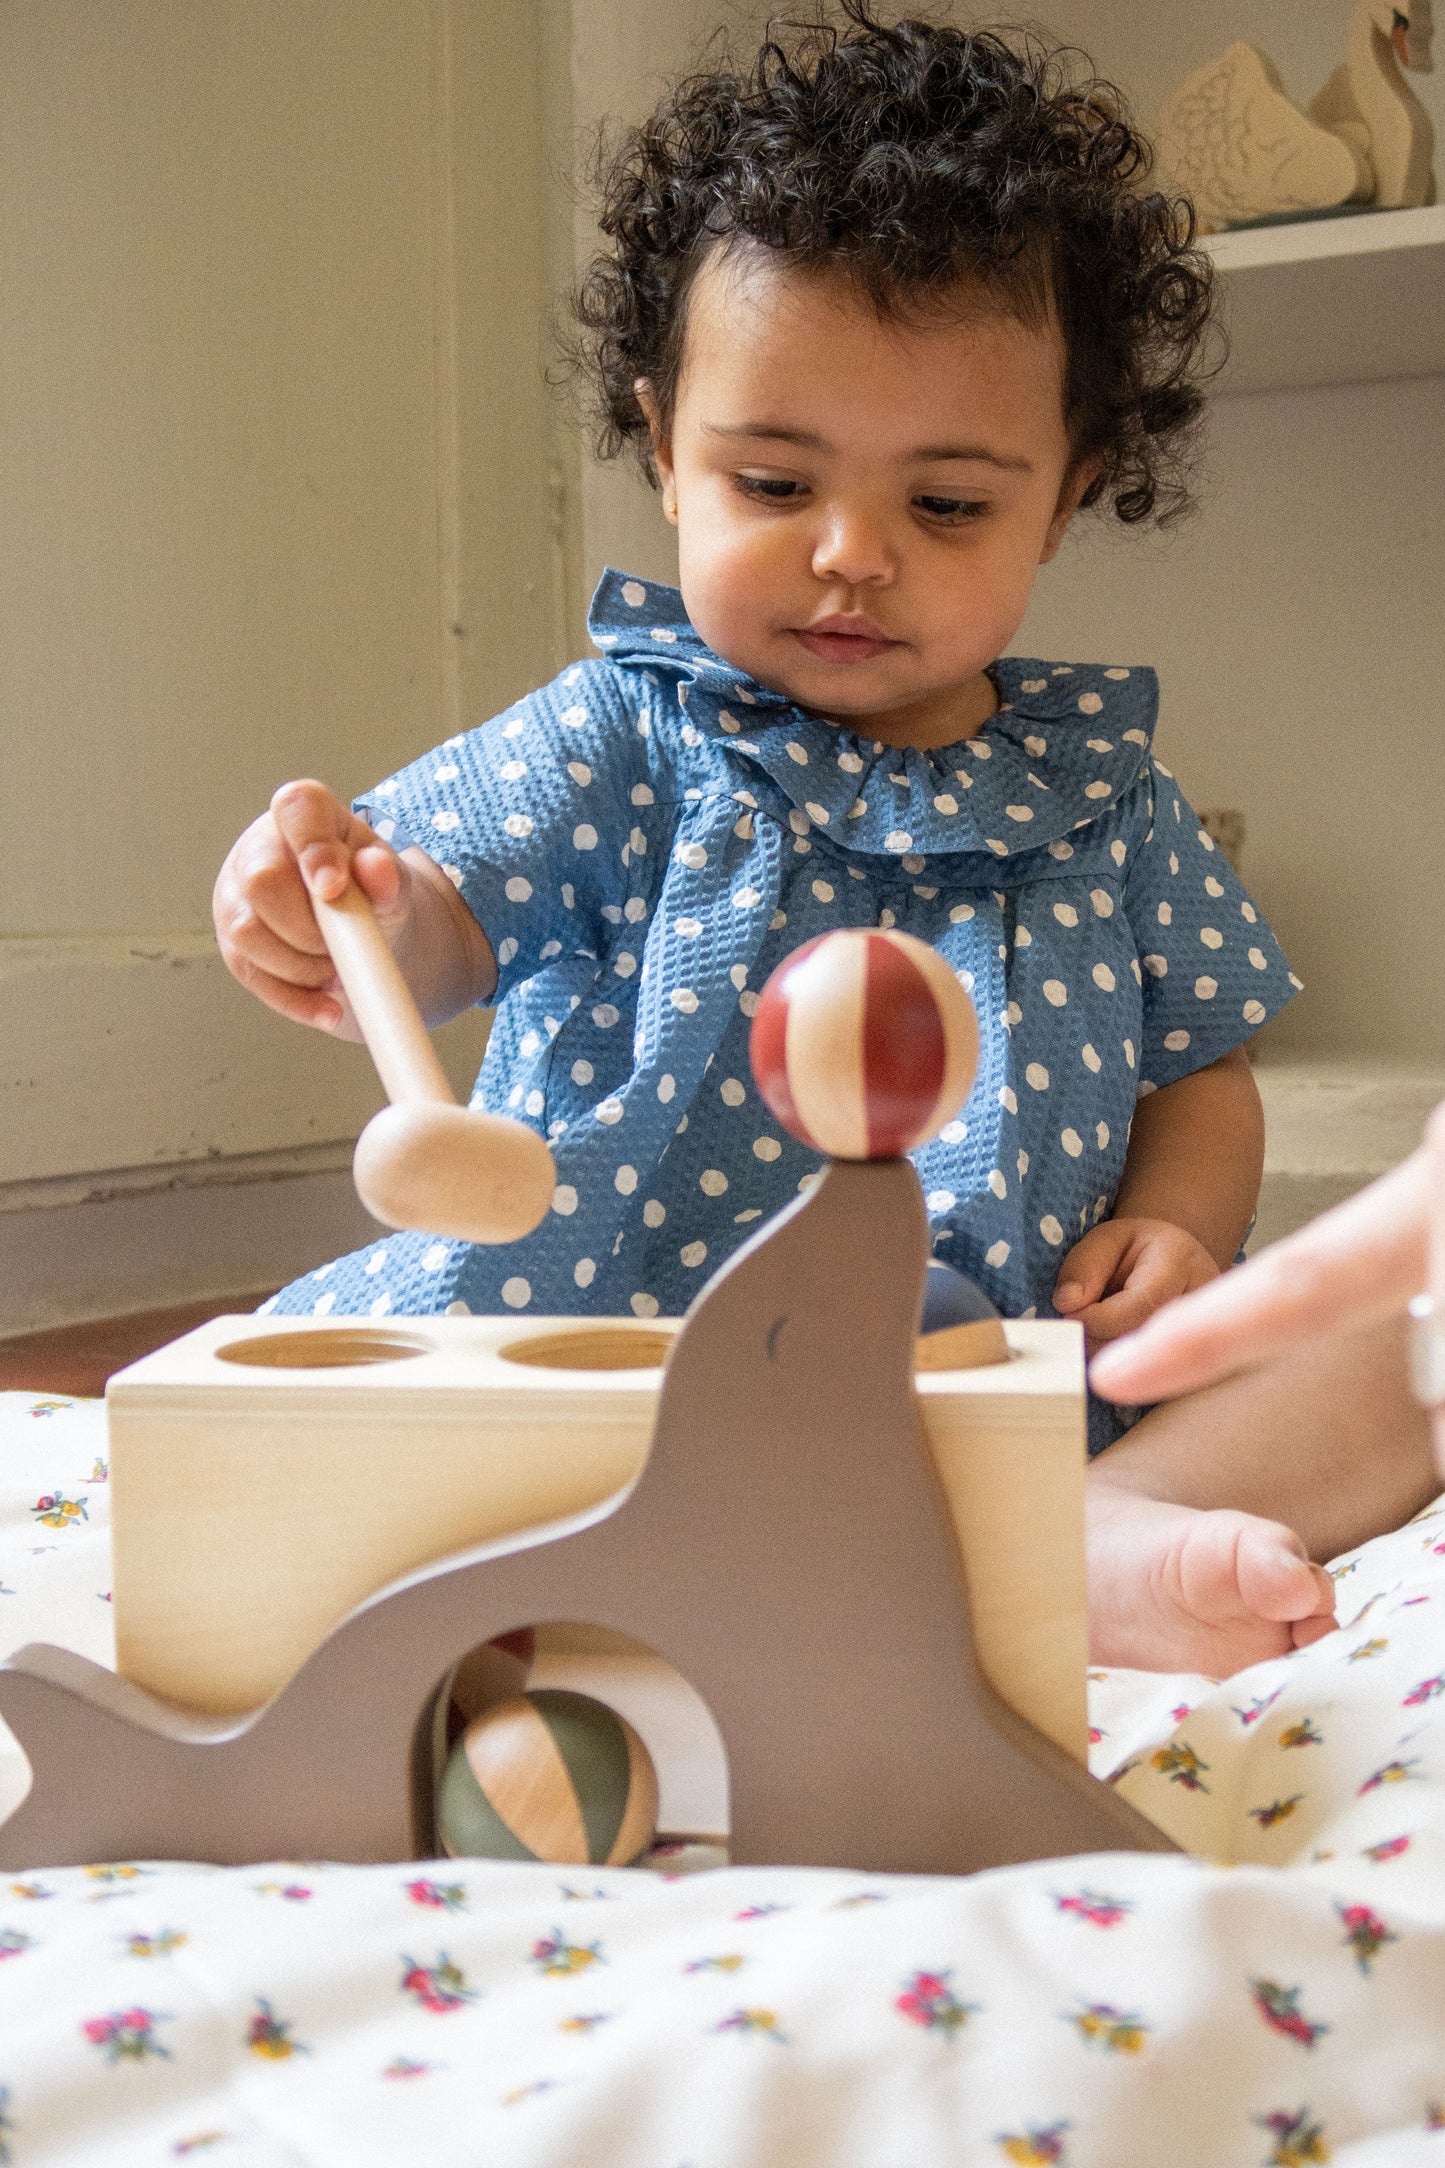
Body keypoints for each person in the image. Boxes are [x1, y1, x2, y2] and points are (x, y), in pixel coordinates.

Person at [212, 6, 1335, 1671]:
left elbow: (1202, 1064)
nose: (850, 557)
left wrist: (1175, 1223)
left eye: (945, 505)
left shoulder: (1107, 796)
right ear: (668, 452)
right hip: (605, 1342)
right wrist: (355, 916)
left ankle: (1021, 1563)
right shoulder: (628, 731)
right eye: (771, 484)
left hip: (973, 1366)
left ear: (1067, 490)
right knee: (380, 1503)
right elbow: (443, 924)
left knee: (1320, 1383)